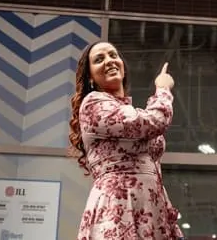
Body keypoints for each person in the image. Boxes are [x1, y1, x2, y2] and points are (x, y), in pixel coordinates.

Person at [69, 41, 182, 239]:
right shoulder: (93, 103)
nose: (109, 61)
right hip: (119, 210)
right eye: (99, 59)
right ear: (90, 77)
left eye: (113, 55)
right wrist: (163, 89)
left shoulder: (125, 109)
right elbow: (154, 121)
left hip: (150, 208)